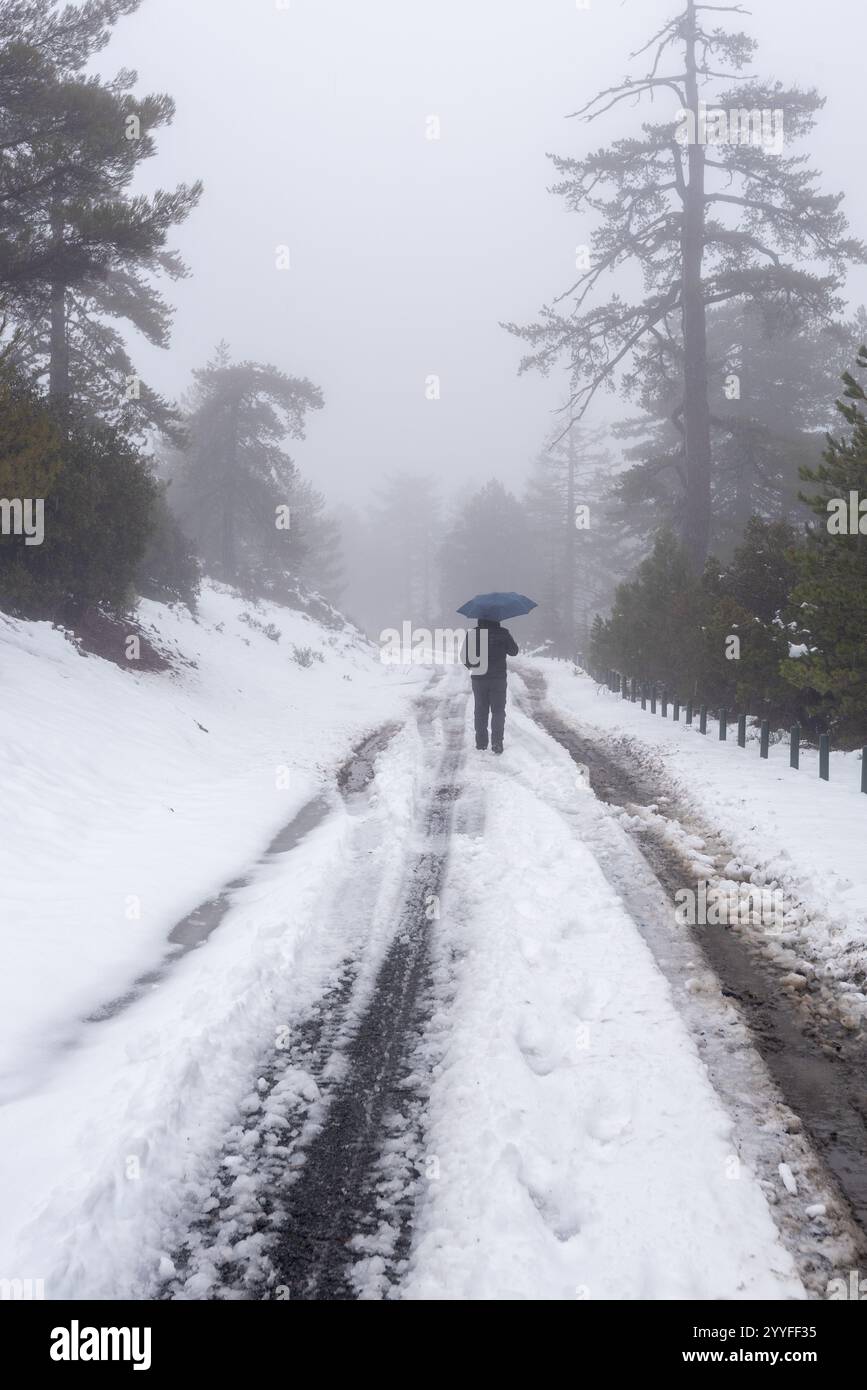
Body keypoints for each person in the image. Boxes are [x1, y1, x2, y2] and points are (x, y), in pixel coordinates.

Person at [462, 617, 519, 754]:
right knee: (498, 711)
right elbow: (514, 651)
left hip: (479, 679)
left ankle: (481, 744)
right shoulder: (503, 633)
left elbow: (464, 656)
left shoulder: (472, 634)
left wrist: (473, 667)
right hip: (498, 679)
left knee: (480, 710)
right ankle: (497, 743)